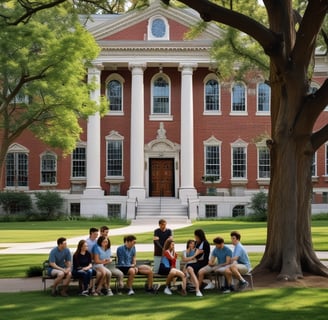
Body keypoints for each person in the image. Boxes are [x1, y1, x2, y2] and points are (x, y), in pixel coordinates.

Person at [185, 229, 210, 297]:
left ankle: (196, 287)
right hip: (197, 262)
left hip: (203, 263)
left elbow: (199, 256)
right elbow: (190, 251)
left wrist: (196, 253)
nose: (195, 237)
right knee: (189, 268)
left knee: (189, 267)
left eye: (195, 236)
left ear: (199, 236)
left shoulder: (205, 243)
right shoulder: (196, 243)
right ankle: (197, 288)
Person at [99, 225, 124, 290]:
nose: (107, 234)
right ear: (101, 232)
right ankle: (106, 287)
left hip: (110, 264)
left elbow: (109, 254)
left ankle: (119, 287)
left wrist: (111, 258)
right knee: (107, 273)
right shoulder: (98, 245)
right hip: (102, 265)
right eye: (106, 232)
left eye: (108, 232)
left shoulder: (108, 243)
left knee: (120, 274)